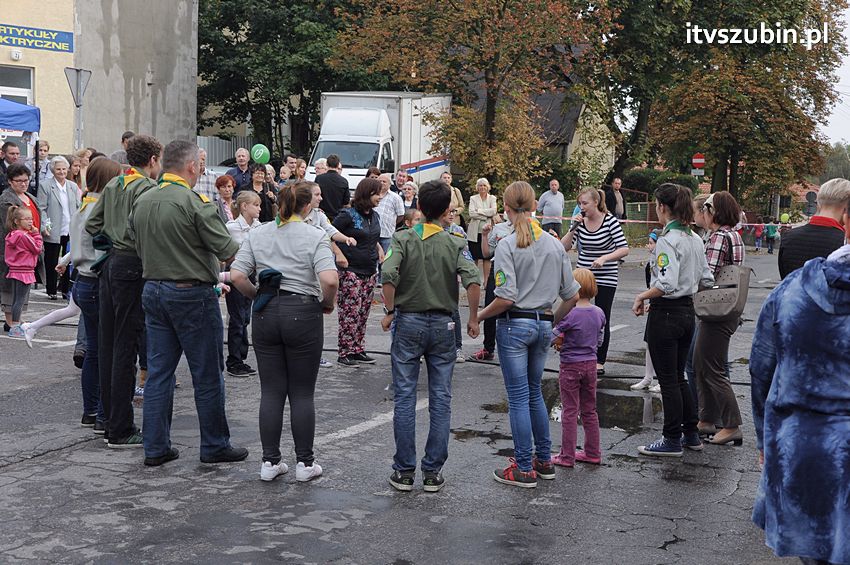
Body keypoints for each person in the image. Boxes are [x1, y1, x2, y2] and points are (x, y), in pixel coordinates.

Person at [131, 139, 247, 467]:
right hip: (191, 294)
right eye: (199, 164)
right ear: (192, 166)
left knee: (158, 372)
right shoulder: (194, 201)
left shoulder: (143, 198)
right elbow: (228, 249)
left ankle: (155, 447)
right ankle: (213, 444)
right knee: (207, 373)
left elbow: (132, 241)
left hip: (153, 289)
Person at [750, 199, 850, 565]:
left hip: (801, 447)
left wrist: (764, 437)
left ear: (846, 224)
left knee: (814, 554)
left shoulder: (792, 290)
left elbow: (761, 369)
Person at [231, 182, 339, 483]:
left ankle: (270, 461)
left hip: (266, 312)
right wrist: (326, 304)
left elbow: (238, 275)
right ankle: (305, 463)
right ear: (307, 207)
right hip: (303, 311)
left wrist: (256, 297)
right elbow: (330, 280)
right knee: (302, 392)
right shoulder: (315, 235)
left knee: (271, 390)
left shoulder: (258, 233)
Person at [380, 179, 481, 492]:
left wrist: (389, 310)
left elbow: (388, 274)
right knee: (441, 398)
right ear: (448, 210)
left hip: (408, 321)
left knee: (406, 396)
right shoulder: (455, 242)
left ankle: (405, 470)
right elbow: (473, 281)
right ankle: (433, 471)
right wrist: (473, 317)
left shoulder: (404, 238)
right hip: (443, 324)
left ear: (419, 208)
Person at [479, 181, 581, 488]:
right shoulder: (553, 244)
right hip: (542, 322)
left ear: (506, 210)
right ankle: (544, 460)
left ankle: (523, 467)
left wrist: (479, 316)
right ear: (536, 206)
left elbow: (506, 296)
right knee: (535, 393)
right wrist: (551, 322)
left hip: (514, 324)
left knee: (519, 397)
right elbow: (572, 295)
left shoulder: (508, 245)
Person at [23, 159, 122, 431]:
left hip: (84, 281)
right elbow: (106, 247)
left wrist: (68, 260)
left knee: (93, 350)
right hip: (98, 280)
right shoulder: (101, 209)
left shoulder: (84, 204)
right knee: (105, 351)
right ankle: (103, 416)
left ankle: (91, 411)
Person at [85, 134, 162, 448]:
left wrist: (110, 240)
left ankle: (107, 421)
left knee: (108, 343)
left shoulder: (115, 184)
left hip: (110, 265)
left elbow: (93, 225)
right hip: (133, 266)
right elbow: (147, 229)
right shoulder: (147, 188)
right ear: (153, 161)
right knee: (125, 347)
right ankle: (121, 428)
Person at [632, 184, 713, 457]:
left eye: (656, 205)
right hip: (687, 312)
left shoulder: (668, 240)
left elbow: (665, 282)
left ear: (663, 207)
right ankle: (690, 434)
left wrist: (641, 296)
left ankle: (671, 439)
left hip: (666, 312)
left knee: (668, 380)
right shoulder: (696, 239)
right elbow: (707, 279)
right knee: (678, 377)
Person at [560, 187, 629, 375]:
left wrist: (605, 258)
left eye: (585, 203)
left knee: (602, 315)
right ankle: (576, 353)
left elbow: (624, 249)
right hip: (584, 274)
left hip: (606, 274)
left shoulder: (610, 221)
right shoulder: (580, 223)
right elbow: (564, 247)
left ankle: (599, 360)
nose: (581, 208)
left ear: (596, 203)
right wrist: (572, 229)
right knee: (575, 313)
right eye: (579, 204)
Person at [694, 191, 745, 446]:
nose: (703, 212)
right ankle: (707, 419)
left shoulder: (718, 237)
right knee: (703, 363)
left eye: (706, 208)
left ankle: (732, 424)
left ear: (713, 212)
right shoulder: (734, 234)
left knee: (711, 368)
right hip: (728, 310)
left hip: (716, 310)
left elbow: (708, 274)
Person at [550, 268, 605, 467]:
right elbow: (599, 340)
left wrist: (558, 341)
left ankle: (566, 455)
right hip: (590, 364)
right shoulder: (599, 313)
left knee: (570, 411)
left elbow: (551, 336)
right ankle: (592, 452)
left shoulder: (569, 315)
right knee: (590, 410)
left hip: (570, 365)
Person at [331, 178, 383, 367]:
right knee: (350, 312)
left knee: (363, 312)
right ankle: (344, 351)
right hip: (351, 270)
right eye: (377, 193)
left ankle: (357, 348)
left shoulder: (375, 216)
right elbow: (329, 235)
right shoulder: (348, 215)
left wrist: (379, 248)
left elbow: (370, 236)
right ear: (368, 194)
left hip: (370, 270)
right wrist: (338, 254)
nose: (380, 197)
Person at [778, 178, 850, 279]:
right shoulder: (844, 244)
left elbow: (784, 279)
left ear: (819, 203)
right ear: (847, 208)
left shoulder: (788, 237)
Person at [223, 191, 261, 378]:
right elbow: (223, 251)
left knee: (246, 317)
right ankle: (234, 360)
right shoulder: (231, 227)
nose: (259, 209)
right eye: (256, 205)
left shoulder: (259, 227)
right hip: (236, 273)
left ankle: (241, 357)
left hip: (251, 274)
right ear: (244, 206)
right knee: (237, 317)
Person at [1, 164, 41, 332]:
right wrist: (31, 237)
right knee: (10, 288)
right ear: (10, 181)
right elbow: (8, 225)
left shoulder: (30, 197)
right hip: (17, 252)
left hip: (29, 250)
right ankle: (11, 321)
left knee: (23, 291)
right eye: (19, 181)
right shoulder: (6, 200)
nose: (24, 184)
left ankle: (16, 319)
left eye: (26, 180)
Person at [468, 212, 512, 362]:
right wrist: (485, 236)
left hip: (517, 269)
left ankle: (514, 349)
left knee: (513, 307)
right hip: (498, 269)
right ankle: (488, 348)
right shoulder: (499, 227)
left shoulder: (531, 226)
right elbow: (487, 253)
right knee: (490, 306)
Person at [39, 156, 81, 300]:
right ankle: (51, 290)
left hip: (70, 227)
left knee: (68, 259)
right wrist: (45, 226)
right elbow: (42, 208)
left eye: (64, 169)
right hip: (53, 228)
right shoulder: (45, 186)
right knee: (52, 259)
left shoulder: (72, 186)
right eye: (58, 169)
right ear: (53, 170)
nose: (62, 172)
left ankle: (65, 289)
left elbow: (78, 206)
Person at [3, 205, 42, 337]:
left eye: (31, 219)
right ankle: (15, 326)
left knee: (15, 299)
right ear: (17, 221)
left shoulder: (12, 235)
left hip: (15, 269)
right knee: (19, 300)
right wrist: (37, 234)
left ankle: (15, 324)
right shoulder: (24, 236)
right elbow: (37, 248)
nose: (30, 221)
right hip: (25, 271)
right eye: (27, 219)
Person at [630, 230, 661, 392]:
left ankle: (661, 380)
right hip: (655, 303)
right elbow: (651, 286)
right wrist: (651, 302)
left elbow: (664, 285)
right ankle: (648, 377)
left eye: (652, 242)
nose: (649, 246)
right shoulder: (650, 263)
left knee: (661, 344)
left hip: (665, 306)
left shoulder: (663, 260)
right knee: (649, 342)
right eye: (648, 242)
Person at [467, 177, 498, 286]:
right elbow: (471, 213)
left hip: (488, 232)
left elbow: (494, 211)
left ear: (488, 187)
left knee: (487, 258)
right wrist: (486, 215)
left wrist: (479, 211)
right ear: (477, 187)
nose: (482, 187)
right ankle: (475, 282)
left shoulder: (492, 198)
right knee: (474, 257)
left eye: (484, 185)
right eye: (480, 185)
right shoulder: (473, 198)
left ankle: (486, 282)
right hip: (474, 233)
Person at [375, 173, 405, 256]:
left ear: (389, 184)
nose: (381, 183)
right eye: (379, 181)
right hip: (373, 234)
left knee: (386, 258)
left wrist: (392, 222)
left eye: (384, 181)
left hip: (387, 234)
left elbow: (401, 215)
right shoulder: (373, 195)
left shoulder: (396, 197)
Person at [315, 154, 349, 220]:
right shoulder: (344, 181)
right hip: (337, 216)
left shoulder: (319, 179)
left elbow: (314, 195)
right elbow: (346, 201)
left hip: (322, 215)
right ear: (337, 165)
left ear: (327, 164)